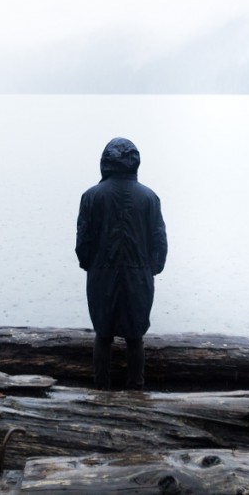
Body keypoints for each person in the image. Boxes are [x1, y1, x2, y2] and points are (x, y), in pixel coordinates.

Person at [75, 137, 168, 390]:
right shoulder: (150, 198)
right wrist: (153, 269)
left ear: (105, 162)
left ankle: (101, 390)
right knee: (135, 338)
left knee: (103, 336)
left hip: (101, 274)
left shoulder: (91, 196)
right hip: (139, 275)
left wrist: (89, 265)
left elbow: (83, 240)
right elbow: (159, 240)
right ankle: (136, 390)